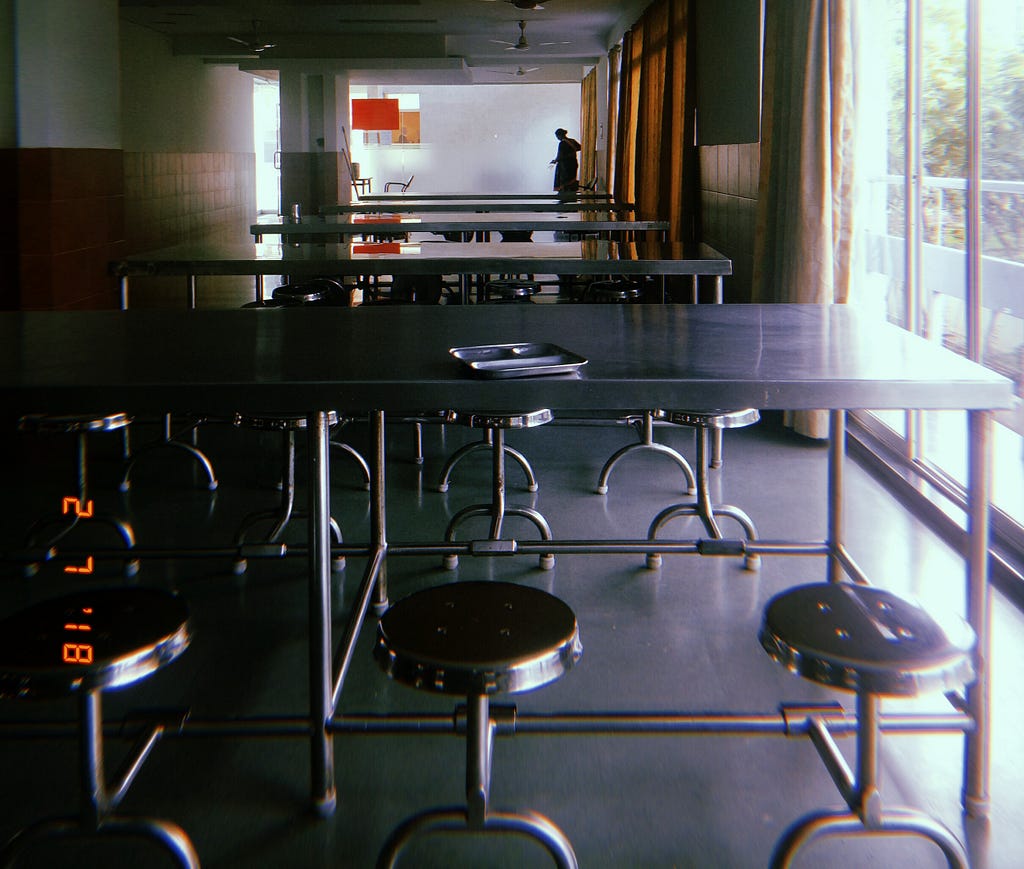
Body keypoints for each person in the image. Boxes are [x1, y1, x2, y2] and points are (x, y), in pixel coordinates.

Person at [550, 127, 581, 192]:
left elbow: (559, 155)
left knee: (564, 183)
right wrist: (571, 153)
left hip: (565, 166)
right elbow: (579, 147)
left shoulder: (562, 143)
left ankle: (565, 196)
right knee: (572, 180)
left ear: (559, 135)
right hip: (573, 163)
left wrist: (555, 161)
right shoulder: (572, 141)